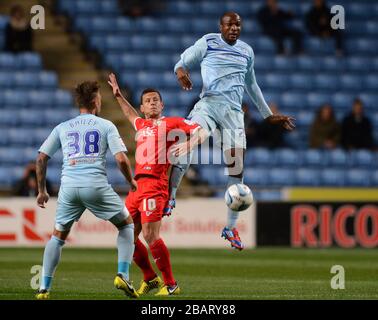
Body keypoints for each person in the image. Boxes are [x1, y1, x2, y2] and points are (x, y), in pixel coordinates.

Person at [170, 12, 295, 250]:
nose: (234, 28)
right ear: (221, 26)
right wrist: (180, 72)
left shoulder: (247, 51)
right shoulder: (208, 42)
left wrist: (267, 114)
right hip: (208, 105)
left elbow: (252, 85)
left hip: (233, 114)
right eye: (230, 24)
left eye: (238, 24)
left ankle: (230, 226)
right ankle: (171, 195)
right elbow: (182, 61)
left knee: (237, 168)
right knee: (189, 139)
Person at [35, 81, 139, 299]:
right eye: (100, 98)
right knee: (126, 225)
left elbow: (41, 158)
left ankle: (44, 288)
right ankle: (123, 274)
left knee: (58, 236)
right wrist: (130, 181)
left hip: (69, 187)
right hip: (95, 185)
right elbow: (121, 159)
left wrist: (42, 190)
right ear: (94, 102)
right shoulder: (106, 125)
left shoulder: (63, 127)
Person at [108, 73, 207, 296]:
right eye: (148, 101)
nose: (152, 103)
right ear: (142, 107)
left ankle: (171, 285)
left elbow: (202, 131)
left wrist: (189, 144)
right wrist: (118, 96)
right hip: (136, 187)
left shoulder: (171, 122)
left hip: (155, 185)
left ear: (162, 104)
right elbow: (129, 114)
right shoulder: (141, 124)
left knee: (150, 235)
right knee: (127, 235)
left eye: (156, 100)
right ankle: (150, 278)